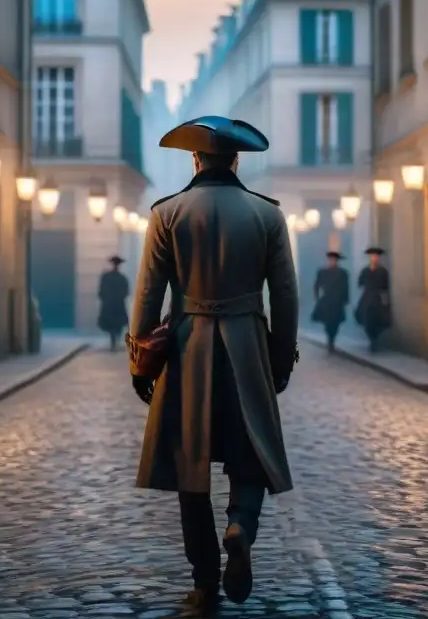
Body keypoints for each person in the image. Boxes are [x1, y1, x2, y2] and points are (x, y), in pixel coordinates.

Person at [127, 115, 299, 612]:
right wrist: (280, 359)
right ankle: (241, 525)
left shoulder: (168, 213)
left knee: (190, 467)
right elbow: (284, 295)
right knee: (251, 452)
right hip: (247, 344)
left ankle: (204, 583)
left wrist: (142, 362)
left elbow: (147, 296)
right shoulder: (268, 215)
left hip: (187, 351)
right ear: (236, 160)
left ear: (196, 160)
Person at [355, 247, 392, 351]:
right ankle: (372, 339)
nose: (375, 258)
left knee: (380, 320)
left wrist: (385, 300)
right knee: (365, 319)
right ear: (370, 258)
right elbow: (360, 283)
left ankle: (374, 340)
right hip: (367, 298)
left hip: (378, 298)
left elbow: (386, 286)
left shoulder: (383, 271)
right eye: (373, 256)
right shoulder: (365, 271)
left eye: (377, 256)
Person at [311, 251, 349, 351]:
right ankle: (330, 341)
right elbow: (316, 285)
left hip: (337, 301)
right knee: (327, 321)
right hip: (327, 301)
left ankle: (332, 339)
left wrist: (345, 300)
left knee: (336, 322)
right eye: (331, 260)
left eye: (334, 260)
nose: (332, 262)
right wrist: (317, 297)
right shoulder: (322, 272)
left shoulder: (342, 273)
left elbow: (345, 287)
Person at [98, 256, 130, 352]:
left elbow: (101, 292)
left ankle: (114, 342)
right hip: (115, 304)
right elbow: (126, 292)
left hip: (111, 304)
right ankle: (114, 341)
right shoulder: (121, 278)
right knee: (116, 324)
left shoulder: (107, 277)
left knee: (115, 324)